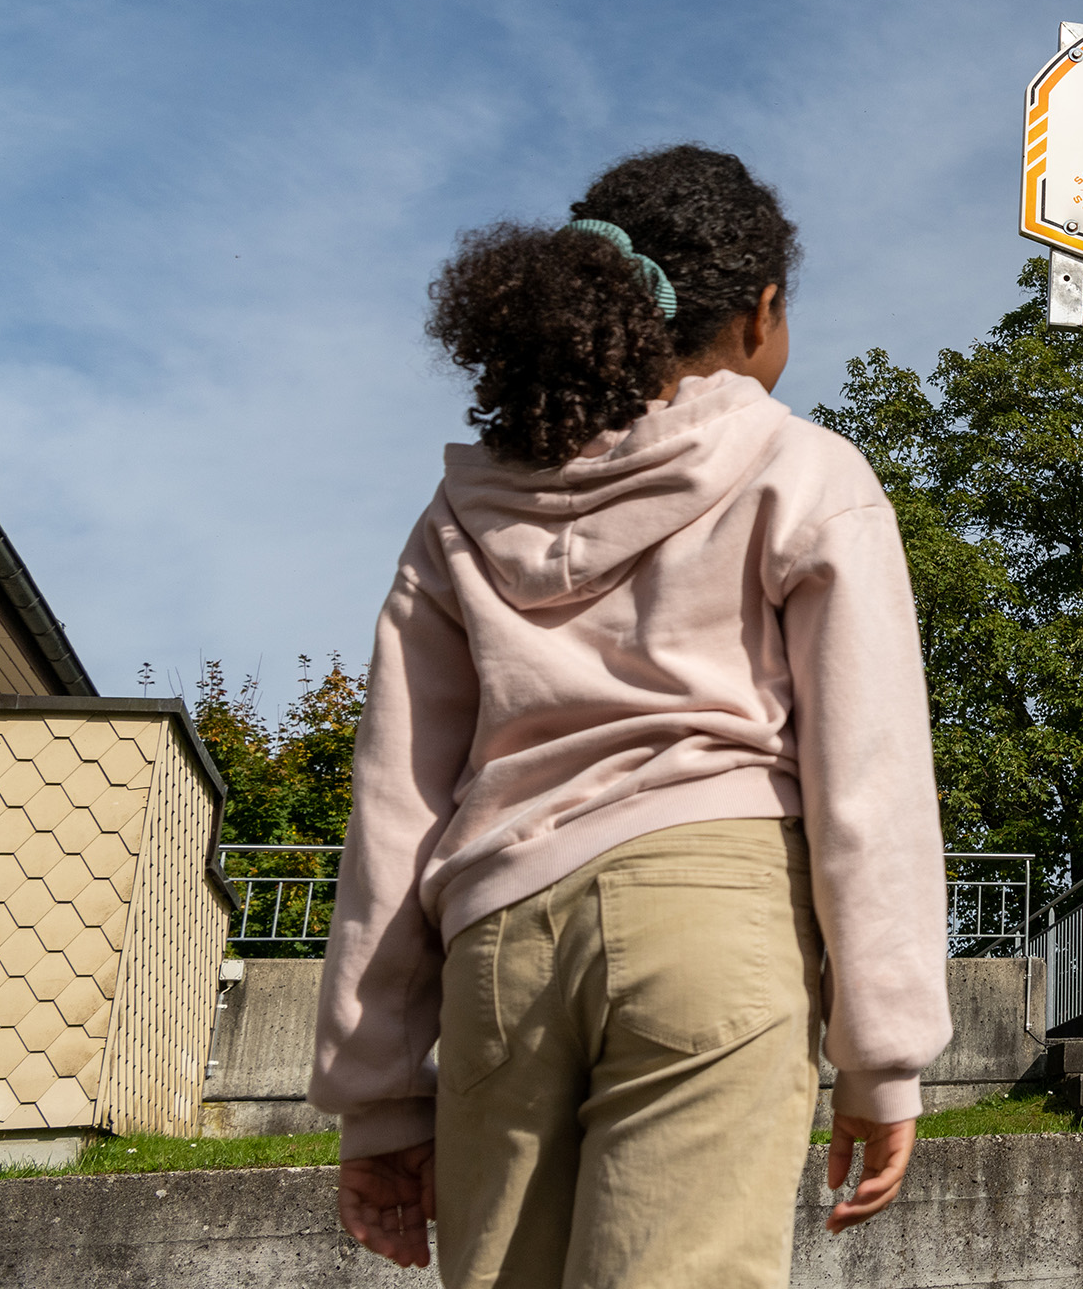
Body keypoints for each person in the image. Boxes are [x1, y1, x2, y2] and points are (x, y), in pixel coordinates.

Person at [310, 146, 952, 1286]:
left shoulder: (461, 512)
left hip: (498, 944)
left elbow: (396, 806)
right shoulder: (803, 470)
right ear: (761, 315)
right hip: (712, 920)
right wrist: (882, 1058)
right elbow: (870, 781)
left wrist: (375, 1100)